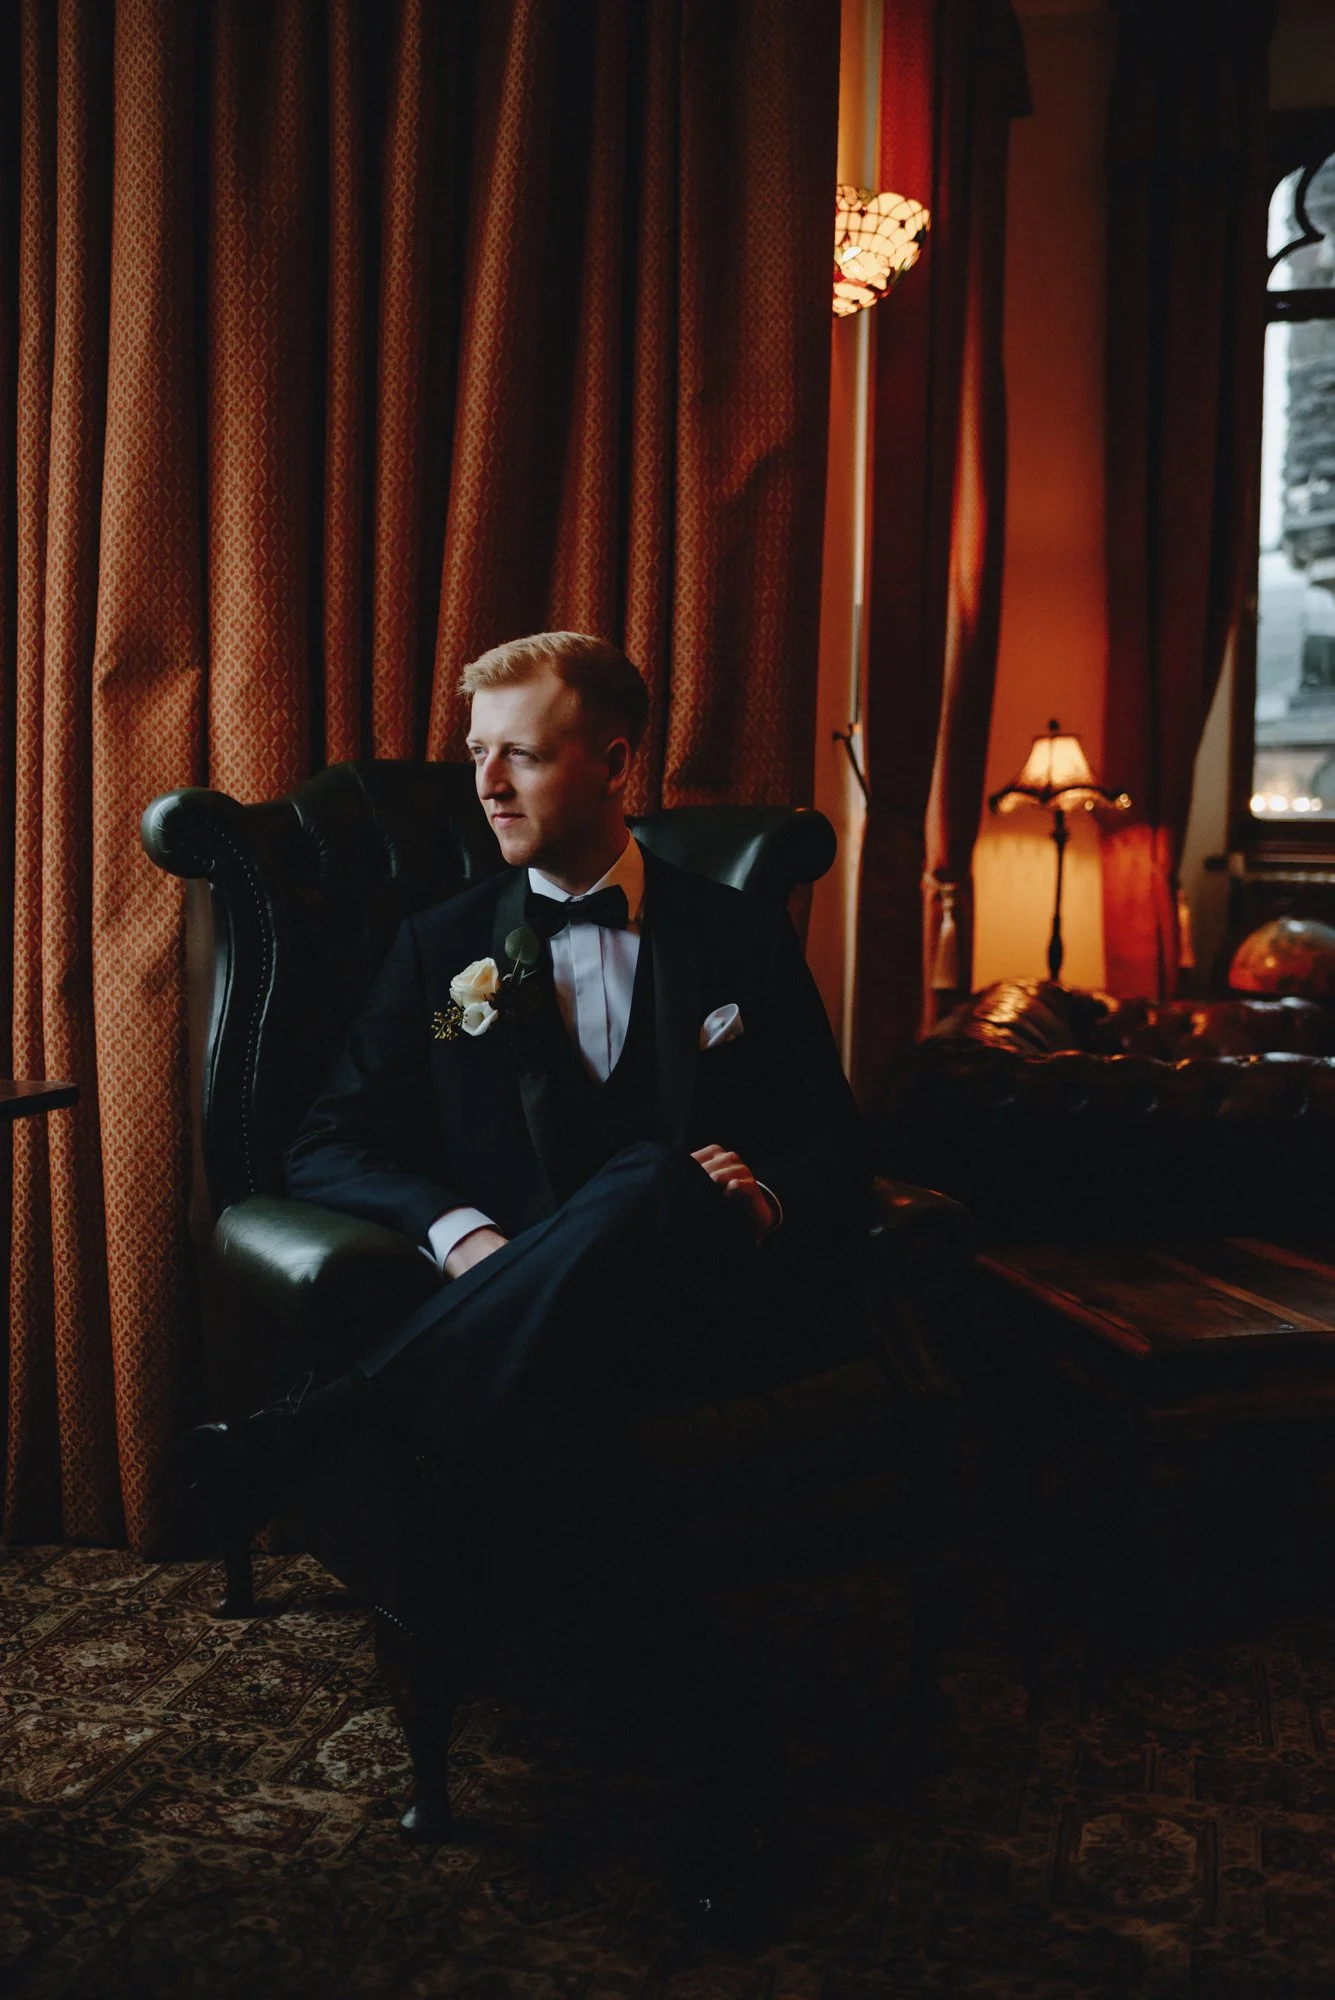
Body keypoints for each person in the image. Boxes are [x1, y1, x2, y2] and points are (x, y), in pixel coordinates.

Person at [187, 630, 871, 1939]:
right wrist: (454, 1233)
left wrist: (758, 1191)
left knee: (665, 1184)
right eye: (476, 754)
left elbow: (829, 1145)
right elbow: (331, 1138)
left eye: (522, 752)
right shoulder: (448, 948)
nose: (486, 784)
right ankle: (733, 1773)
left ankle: (333, 1418)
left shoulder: (733, 934)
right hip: (525, 1331)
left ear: (614, 762)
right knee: (599, 1336)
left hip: (706, 1309)